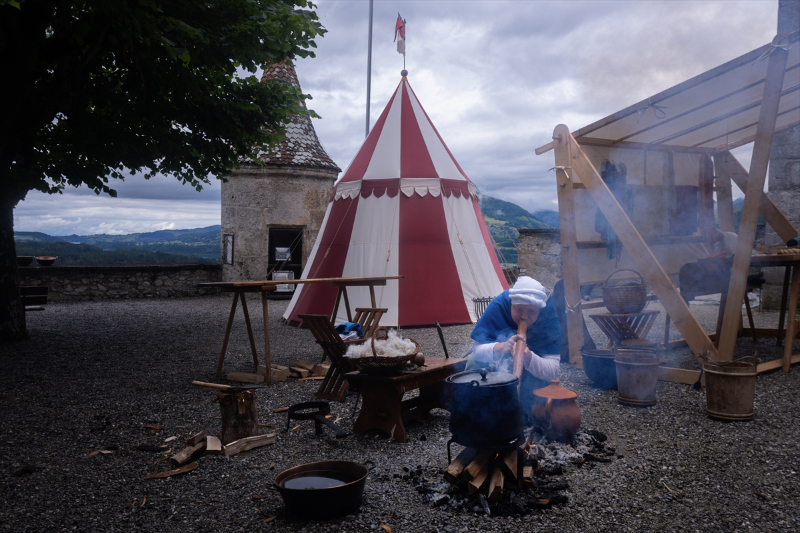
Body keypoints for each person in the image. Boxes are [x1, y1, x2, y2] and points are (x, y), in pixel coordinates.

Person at [466, 276, 562, 419]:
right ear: (511, 304)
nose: (524, 316)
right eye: (519, 309)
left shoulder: (547, 314)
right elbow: (477, 351)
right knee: (474, 362)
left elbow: (553, 370)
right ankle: (475, 411)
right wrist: (501, 347)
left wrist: (529, 357)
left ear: (539, 310)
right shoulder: (499, 304)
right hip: (495, 370)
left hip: (531, 375)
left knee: (531, 411)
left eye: (531, 311)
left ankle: (522, 412)